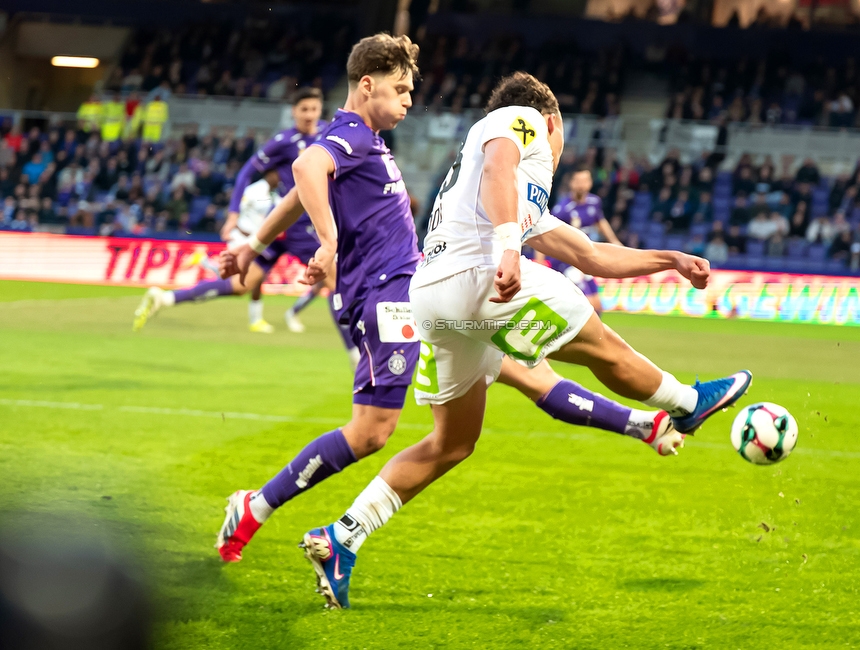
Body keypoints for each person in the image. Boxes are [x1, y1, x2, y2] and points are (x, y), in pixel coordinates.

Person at [213, 40, 680, 572]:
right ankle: (255, 506)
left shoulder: (362, 141)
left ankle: (646, 425)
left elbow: (302, 186)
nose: (411, 100)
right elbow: (305, 168)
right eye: (402, 89)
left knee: (523, 377)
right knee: (372, 432)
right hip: (388, 299)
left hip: (419, 295)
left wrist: (253, 245)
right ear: (368, 85)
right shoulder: (348, 134)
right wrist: (327, 240)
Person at [297, 72, 751, 609]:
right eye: (563, 141)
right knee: (597, 342)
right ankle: (685, 403)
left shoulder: (518, 198)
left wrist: (669, 261)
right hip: (482, 276)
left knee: (453, 443)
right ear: (552, 123)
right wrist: (511, 250)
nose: (559, 153)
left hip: (435, 301)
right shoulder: (524, 120)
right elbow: (499, 168)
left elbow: (591, 255)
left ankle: (342, 537)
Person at [223, 87, 330, 334]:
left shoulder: (329, 133)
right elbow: (245, 173)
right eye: (304, 109)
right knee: (333, 279)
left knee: (333, 279)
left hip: (324, 217)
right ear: (293, 112)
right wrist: (232, 215)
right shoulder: (284, 142)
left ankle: (290, 313)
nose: (309, 115)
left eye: (314, 109)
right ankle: (359, 349)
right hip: (293, 222)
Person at [539, 166, 622, 314]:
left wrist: (614, 241)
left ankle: (590, 336)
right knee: (588, 304)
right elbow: (544, 233)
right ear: (571, 184)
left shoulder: (594, 202)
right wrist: (540, 261)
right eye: (578, 181)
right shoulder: (563, 209)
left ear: (590, 183)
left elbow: (600, 221)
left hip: (585, 259)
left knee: (597, 305)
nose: (582, 184)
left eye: (585, 180)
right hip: (567, 261)